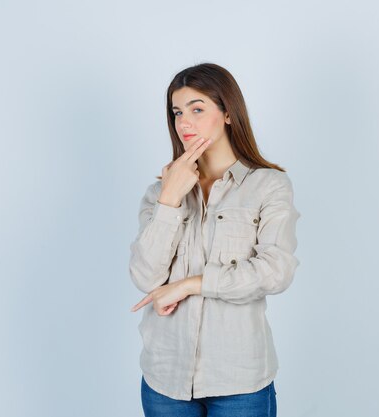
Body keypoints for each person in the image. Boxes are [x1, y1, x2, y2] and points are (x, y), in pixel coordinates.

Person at [128, 62, 300, 417]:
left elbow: (275, 271)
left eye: (197, 109)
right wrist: (170, 199)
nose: (183, 122)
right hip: (165, 379)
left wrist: (190, 284)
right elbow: (145, 277)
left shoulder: (268, 186)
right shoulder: (159, 193)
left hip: (239, 381)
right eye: (177, 112)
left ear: (227, 114)